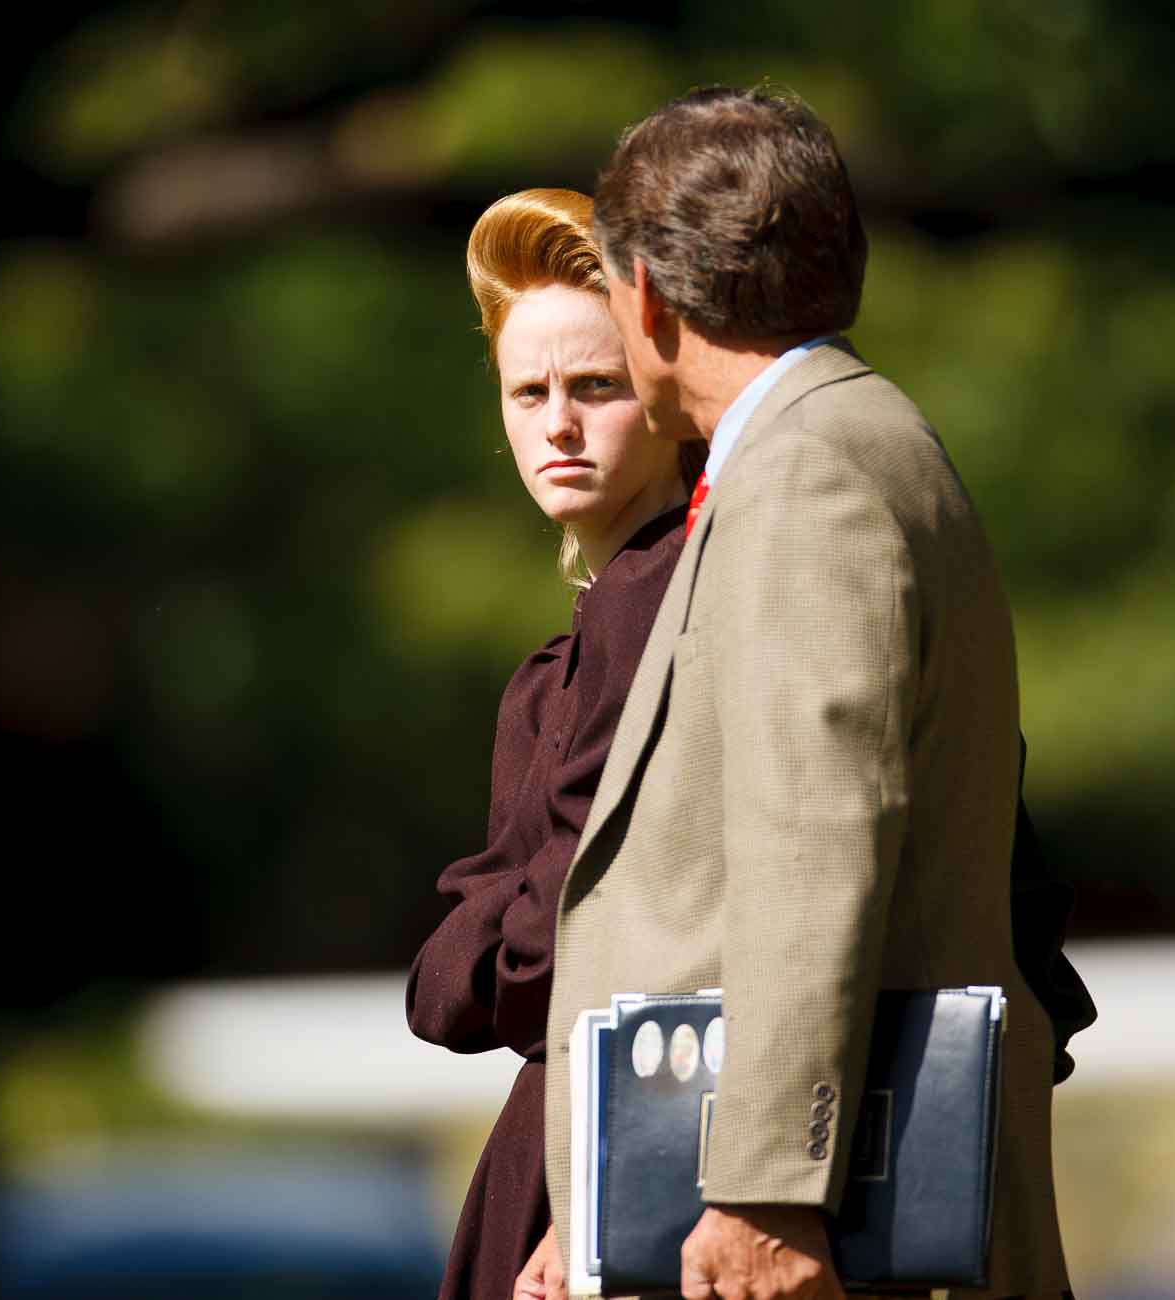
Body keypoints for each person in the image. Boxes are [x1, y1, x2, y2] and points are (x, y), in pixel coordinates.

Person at [526, 89, 1091, 1300]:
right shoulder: (864, 441)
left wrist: (766, 1188)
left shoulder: (804, 480)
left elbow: (816, 837)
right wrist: (597, 1210)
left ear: (646, 299)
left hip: (811, 1230)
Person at [406, 187, 707, 1300]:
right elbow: (470, 970)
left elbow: (538, 953)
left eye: (597, 387)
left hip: (621, 1148)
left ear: (668, 393)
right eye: (527, 392)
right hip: (589, 1138)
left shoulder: (655, 598)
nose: (558, 426)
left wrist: (596, 1207)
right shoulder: (569, 654)